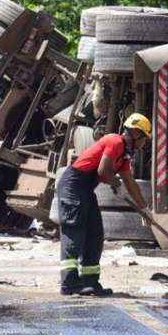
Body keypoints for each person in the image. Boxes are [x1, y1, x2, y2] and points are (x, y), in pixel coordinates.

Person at [57, 114, 151, 296]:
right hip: (73, 185)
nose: (143, 145)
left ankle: (90, 282)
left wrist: (144, 209)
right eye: (144, 140)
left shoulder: (123, 156)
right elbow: (102, 172)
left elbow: (130, 183)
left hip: (85, 189)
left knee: (95, 234)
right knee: (74, 231)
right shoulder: (114, 141)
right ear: (137, 134)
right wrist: (116, 184)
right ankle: (69, 284)